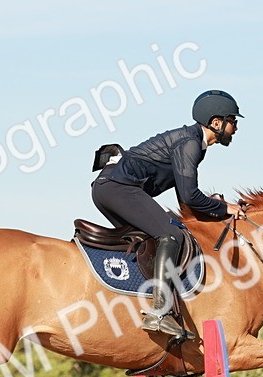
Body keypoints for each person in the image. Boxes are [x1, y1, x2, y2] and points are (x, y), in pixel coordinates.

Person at [91, 89, 246, 339]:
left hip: (108, 189)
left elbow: (185, 199)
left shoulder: (193, 143)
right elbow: (190, 197)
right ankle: (159, 313)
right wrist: (225, 208)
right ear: (216, 122)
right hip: (118, 188)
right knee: (171, 235)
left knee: (158, 237)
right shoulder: (191, 144)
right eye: (233, 121)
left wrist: (211, 211)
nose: (235, 128)